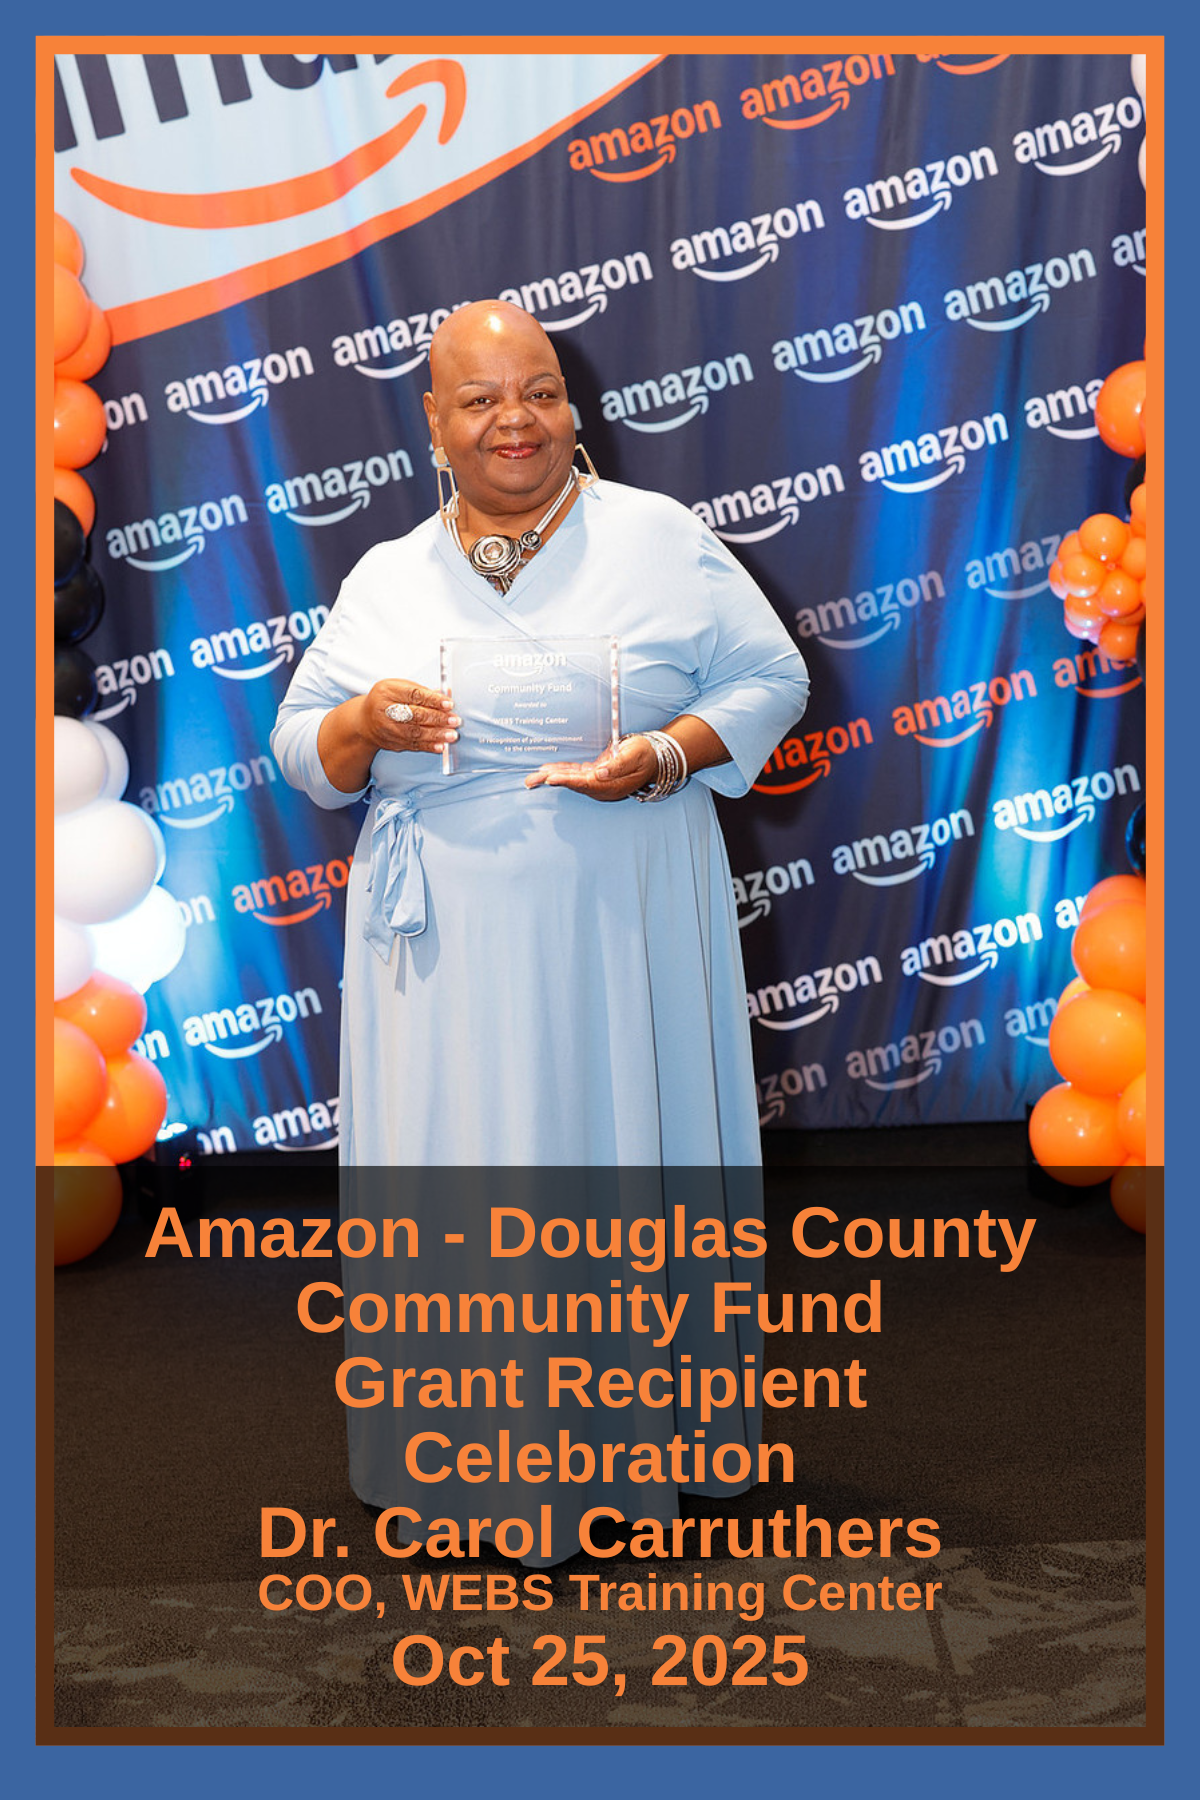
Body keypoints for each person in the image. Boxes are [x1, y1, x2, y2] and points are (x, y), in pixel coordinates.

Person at [271, 301, 810, 1563]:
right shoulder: (388, 574)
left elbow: (773, 678)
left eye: (541, 391)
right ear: (433, 424)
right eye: (480, 399)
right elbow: (301, 747)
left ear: (573, 407)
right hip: (443, 951)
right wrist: (364, 724)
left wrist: (666, 754)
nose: (515, 419)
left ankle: (642, 1448)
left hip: (623, 919)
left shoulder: (660, 537)